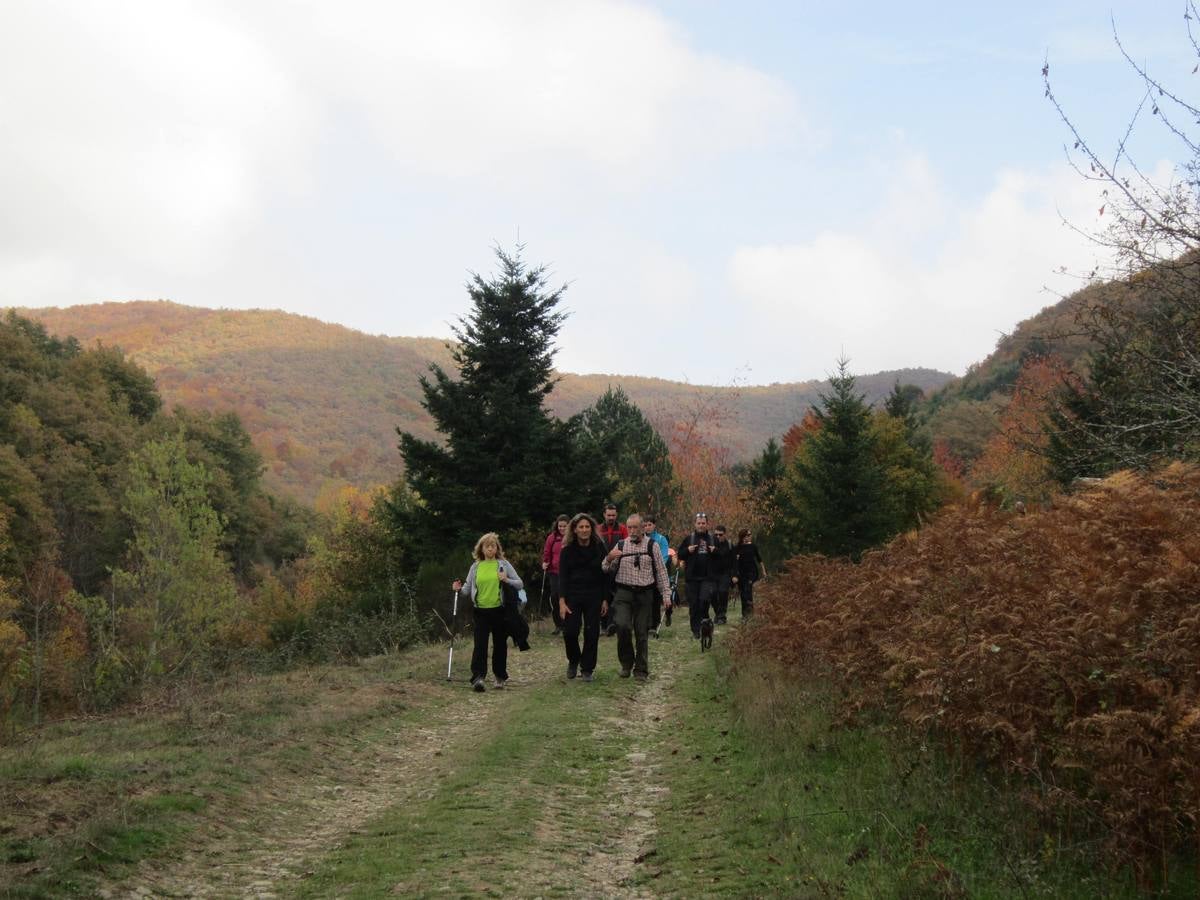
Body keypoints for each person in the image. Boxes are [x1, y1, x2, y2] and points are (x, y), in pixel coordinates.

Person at [452, 532, 524, 692]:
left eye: (493, 546)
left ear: (497, 548)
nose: (491, 549)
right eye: (487, 546)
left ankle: (500, 677)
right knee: (480, 645)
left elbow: (519, 584)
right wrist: (457, 589)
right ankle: (478, 678)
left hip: (500, 610)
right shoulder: (476, 566)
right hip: (481, 611)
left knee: (499, 645)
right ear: (482, 549)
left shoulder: (503, 564)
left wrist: (506, 579)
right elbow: (466, 590)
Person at [603, 513, 671, 680]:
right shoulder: (621, 545)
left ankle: (641, 670)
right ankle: (626, 664)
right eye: (630, 527)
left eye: (636, 527)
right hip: (623, 592)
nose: (632, 531)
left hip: (645, 593)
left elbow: (661, 572)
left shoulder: (653, 546)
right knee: (622, 626)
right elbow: (604, 568)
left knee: (642, 632)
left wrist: (666, 595)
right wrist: (609, 558)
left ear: (643, 528)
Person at [558, 512, 608, 682]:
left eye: (587, 526)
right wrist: (562, 602)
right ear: (575, 529)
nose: (585, 530)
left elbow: (605, 575)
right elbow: (562, 577)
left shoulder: (599, 547)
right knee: (570, 631)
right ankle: (573, 660)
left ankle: (587, 669)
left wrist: (605, 599)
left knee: (592, 632)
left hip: (594, 594)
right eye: (581, 527)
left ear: (591, 528)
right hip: (573, 595)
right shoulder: (567, 551)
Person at [676, 512, 718, 640]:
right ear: (695, 524)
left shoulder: (713, 539)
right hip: (692, 578)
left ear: (707, 524)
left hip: (707, 578)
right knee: (694, 605)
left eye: (703, 523)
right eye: (699, 523)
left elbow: (723, 556)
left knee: (704, 602)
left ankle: (705, 625)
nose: (701, 525)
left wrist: (715, 551)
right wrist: (687, 551)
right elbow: (680, 554)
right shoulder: (689, 538)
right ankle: (696, 631)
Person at [596, 503, 629, 635]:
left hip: (618, 567)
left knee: (615, 596)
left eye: (613, 515)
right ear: (604, 515)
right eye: (609, 515)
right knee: (602, 596)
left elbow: (627, 545)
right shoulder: (598, 529)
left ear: (617, 515)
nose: (611, 517)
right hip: (601, 567)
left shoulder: (622, 529)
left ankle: (611, 624)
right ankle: (603, 625)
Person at [641, 514, 672, 638]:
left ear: (654, 525)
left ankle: (654, 625)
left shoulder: (661, 539)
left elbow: (664, 556)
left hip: (658, 572)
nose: (647, 527)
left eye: (650, 525)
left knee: (655, 600)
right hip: (643, 574)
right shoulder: (640, 538)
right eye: (645, 525)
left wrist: (655, 567)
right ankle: (644, 624)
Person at [541, 515, 569, 635]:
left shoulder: (572, 537)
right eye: (560, 526)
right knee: (555, 596)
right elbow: (547, 552)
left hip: (569, 573)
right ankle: (558, 625)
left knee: (567, 597)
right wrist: (544, 562)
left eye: (564, 526)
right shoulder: (552, 538)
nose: (562, 528)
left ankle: (568, 623)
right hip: (554, 572)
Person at [732, 529, 767, 618]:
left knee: (748, 591)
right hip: (741, 574)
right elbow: (734, 563)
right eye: (748, 535)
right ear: (743, 537)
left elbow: (759, 559)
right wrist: (734, 574)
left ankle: (750, 613)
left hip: (751, 573)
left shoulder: (753, 546)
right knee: (743, 593)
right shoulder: (737, 548)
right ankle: (744, 614)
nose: (749, 536)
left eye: (750, 534)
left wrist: (763, 571)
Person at [711, 524, 735, 625]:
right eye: (716, 535)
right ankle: (718, 614)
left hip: (725, 574)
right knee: (712, 594)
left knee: (722, 592)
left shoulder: (729, 545)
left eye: (720, 535)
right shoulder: (710, 544)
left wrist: (735, 575)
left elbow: (734, 561)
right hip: (712, 574)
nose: (718, 537)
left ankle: (722, 616)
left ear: (725, 535)